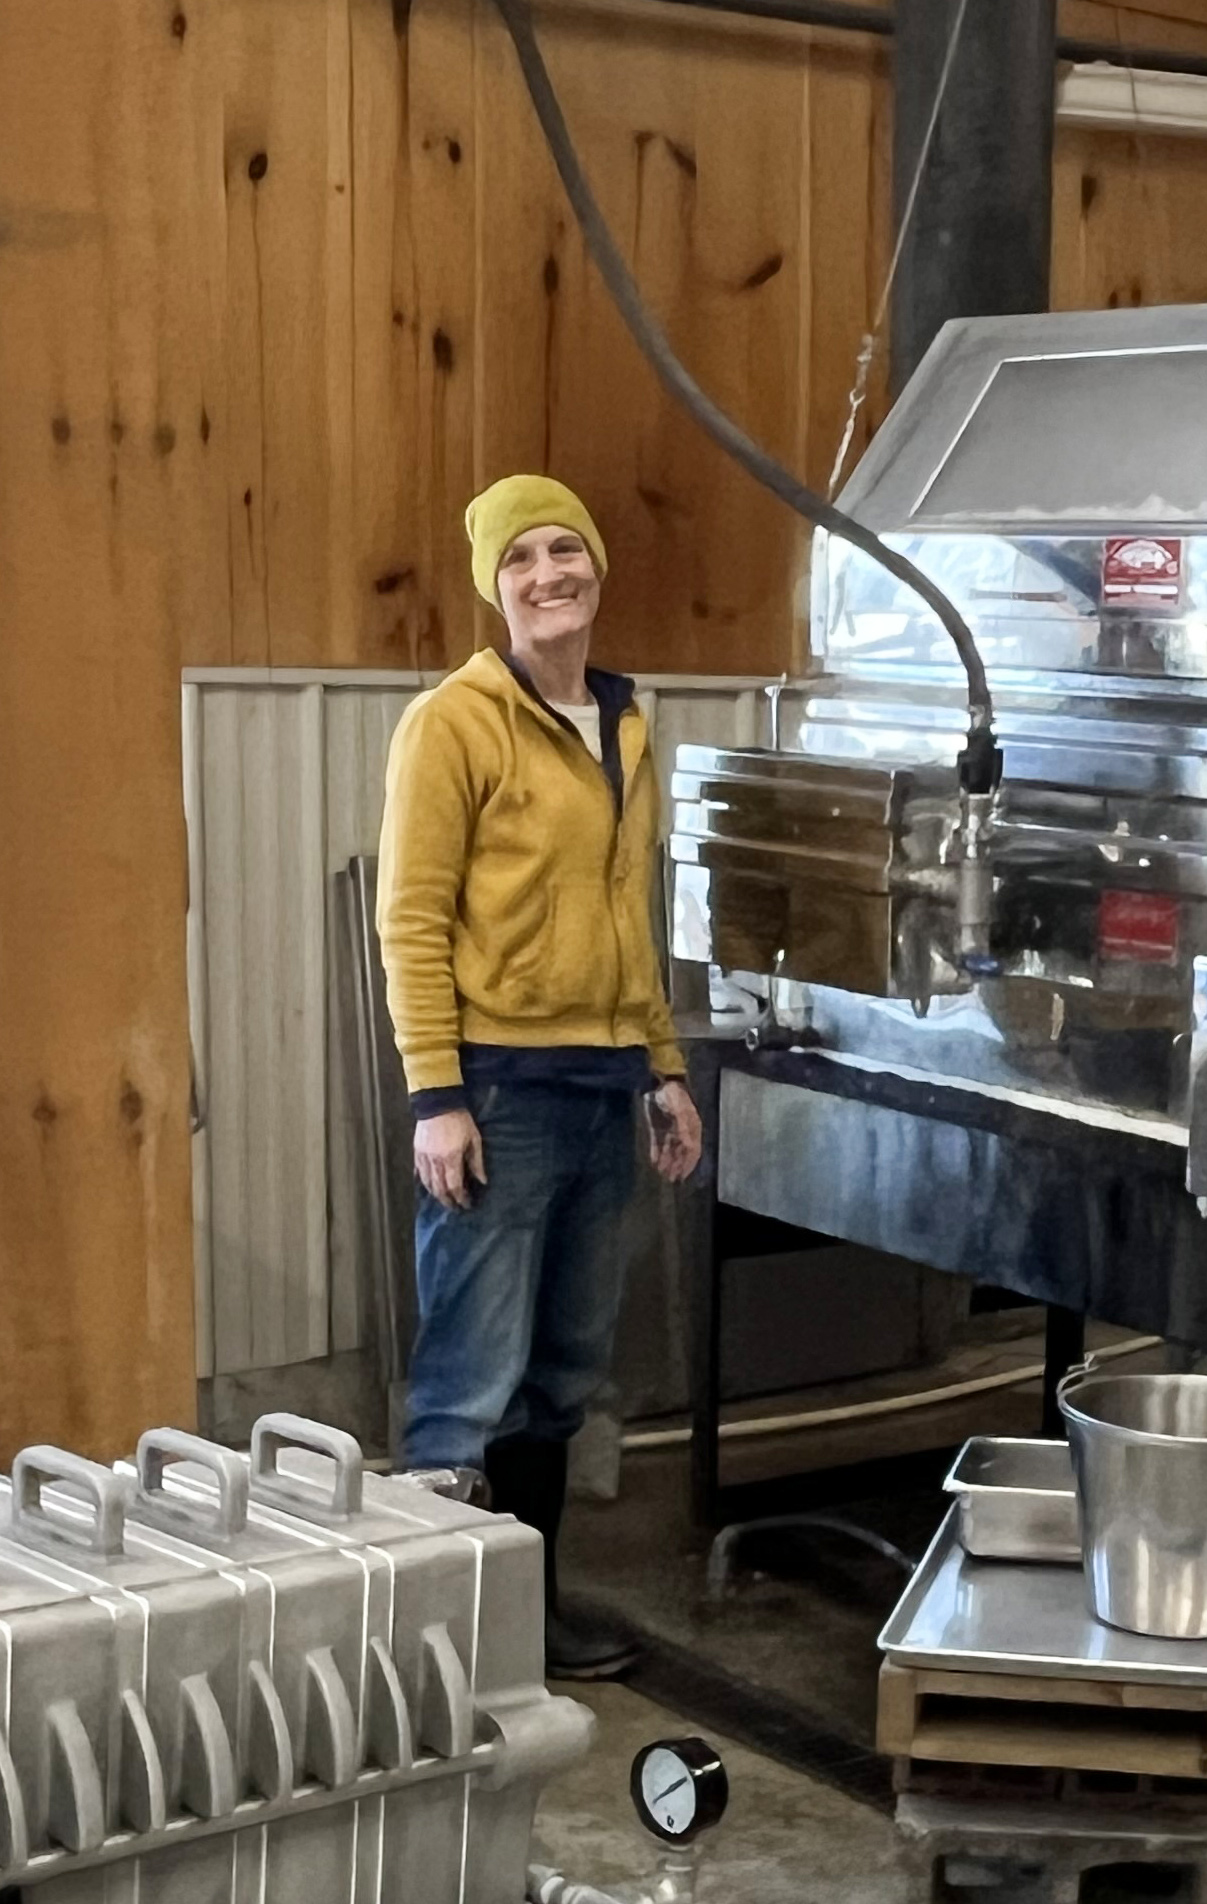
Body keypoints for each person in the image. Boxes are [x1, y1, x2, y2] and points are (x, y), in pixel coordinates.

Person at [378, 474, 704, 1679]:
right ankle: (438, 1653)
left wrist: (662, 1069)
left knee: (561, 1373)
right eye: (523, 558)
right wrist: (437, 1095)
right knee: (470, 1381)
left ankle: (524, 1624)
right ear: (496, 587)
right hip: (497, 1094)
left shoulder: (625, 720)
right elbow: (410, 918)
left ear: (598, 569)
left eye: (569, 547)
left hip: (600, 1088)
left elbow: (630, 913)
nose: (550, 572)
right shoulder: (453, 723)